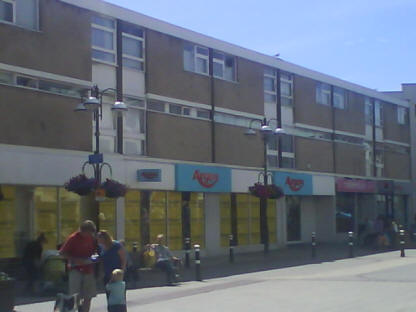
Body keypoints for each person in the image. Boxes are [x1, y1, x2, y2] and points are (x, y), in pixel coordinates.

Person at [59, 220, 97, 312]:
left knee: (88, 295)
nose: (90, 235)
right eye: (88, 233)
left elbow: (95, 251)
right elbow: (62, 253)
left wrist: (95, 257)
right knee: (75, 295)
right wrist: (76, 260)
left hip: (88, 268)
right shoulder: (73, 238)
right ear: (83, 231)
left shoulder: (92, 238)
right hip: (75, 268)